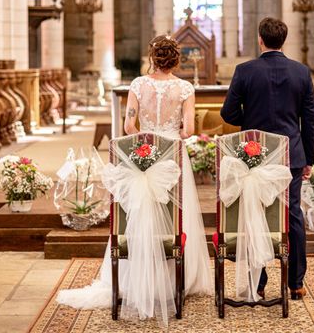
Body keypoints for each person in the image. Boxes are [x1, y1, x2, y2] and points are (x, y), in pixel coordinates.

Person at [57, 36, 212, 323]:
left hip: (142, 157)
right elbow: (188, 130)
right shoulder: (185, 88)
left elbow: (129, 125)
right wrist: (168, 136)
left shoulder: (138, 85)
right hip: (171, 159)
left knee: (138, 214)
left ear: (152, 58)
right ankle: (174, 279)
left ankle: (135, 278)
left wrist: (147, 138)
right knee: (175, 214)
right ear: (176, 60)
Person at [220, 17, 314, 301]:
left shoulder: (245, 70)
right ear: (283, 41)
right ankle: (296, 283)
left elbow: (227, 112)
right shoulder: (301, 72)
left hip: (255, 155)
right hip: (291, 155)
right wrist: (308, 158)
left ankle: (259, 283)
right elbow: (309, 120)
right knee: (292, 215)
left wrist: (248, 122)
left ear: (260, 39)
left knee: (257, 215)